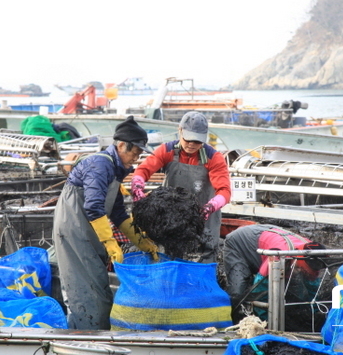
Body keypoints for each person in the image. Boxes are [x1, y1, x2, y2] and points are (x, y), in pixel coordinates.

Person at [52, 115, 159, 330]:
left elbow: (118, 214)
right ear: (121, 145)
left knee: (98, 289)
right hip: (73, 234)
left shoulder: (116, 171)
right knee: (87, 295)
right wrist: (111, 243)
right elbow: (93, 206)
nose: (136, 159)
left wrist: (143, 242)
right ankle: (82, 339)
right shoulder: (99, 164)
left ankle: (94, 333)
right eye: (135, 153)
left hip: (89, 236)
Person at [131, 111, 231, 263]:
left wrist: (210, 207)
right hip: (172, 217)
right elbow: (143, 170)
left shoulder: (214, 158)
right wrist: (137, 188)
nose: (191, 144)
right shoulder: (167, 150)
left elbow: (224, 191)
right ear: (180, 131)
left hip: (204, 216)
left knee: (206, 253)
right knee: (168, 254)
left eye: (197, 141)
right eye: (188, 139)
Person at [223, 224, 326, 324]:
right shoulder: (278, 255)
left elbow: (312, 289)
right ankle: (232, 321)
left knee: (294, 293)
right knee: (238, 291)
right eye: (305, 270)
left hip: (267, 236)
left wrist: (314, 313)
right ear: (298, 261)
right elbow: (259, 290)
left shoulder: (314, 255)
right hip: (240, 243)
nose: (312, 273)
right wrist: (266, 321)